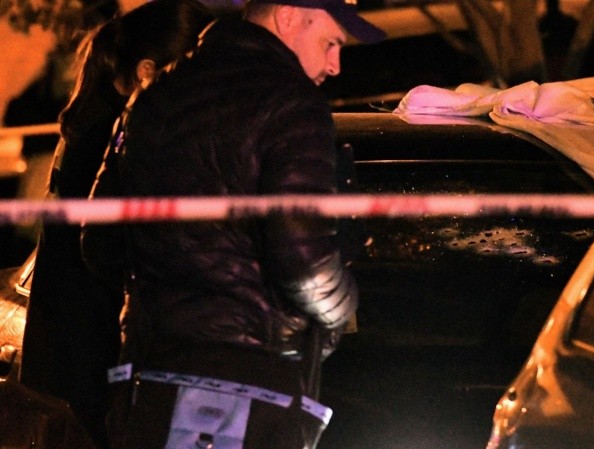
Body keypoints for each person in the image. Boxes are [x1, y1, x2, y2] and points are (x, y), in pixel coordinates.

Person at [88, 1, 385, 448]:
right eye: (330, 43)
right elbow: (304, 262)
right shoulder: (293, 103)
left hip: (150, 380)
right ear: (288, 15)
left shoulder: (152, 97)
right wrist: (342, 310)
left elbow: (99, 242)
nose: (334, 65)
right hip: (248, 386)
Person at [19, 2, 215, 448]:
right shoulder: (118, 141)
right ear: (148, 72)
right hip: (95, 370)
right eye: (193, 74)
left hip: (72, 370)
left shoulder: (95, 128)